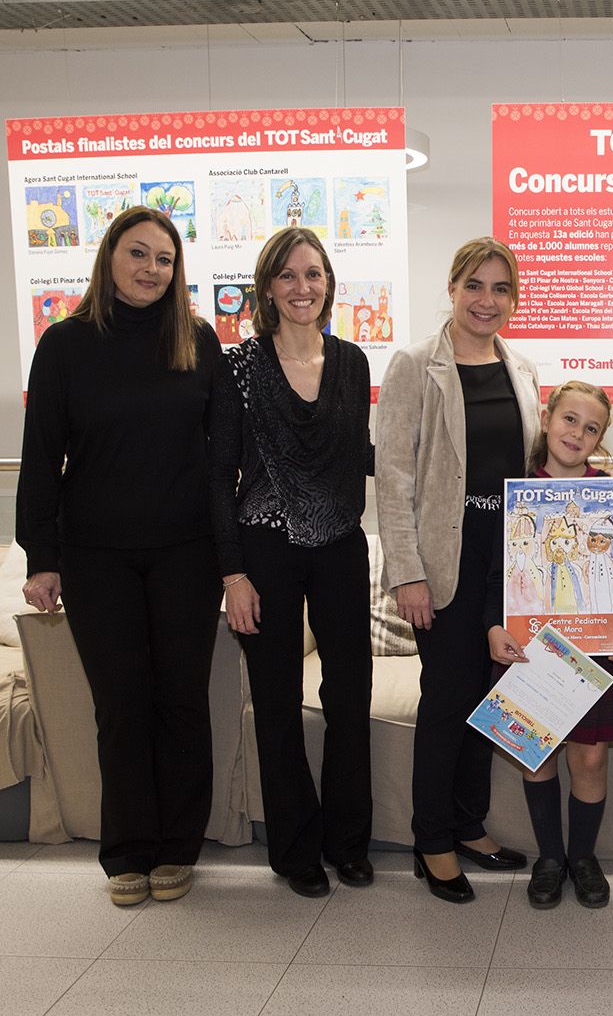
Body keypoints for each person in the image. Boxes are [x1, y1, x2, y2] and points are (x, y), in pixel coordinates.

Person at [16, 206, 224, 907]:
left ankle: (178, 847)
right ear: (109, 258)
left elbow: (223, 458)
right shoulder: (66, 345)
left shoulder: (195, 340)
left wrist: (232, 558)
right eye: (138, 254)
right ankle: (127, 851)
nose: (150, 270)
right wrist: (40, 556)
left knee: (181, 703)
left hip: (186, 556)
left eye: (164, 260)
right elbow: (41, 456)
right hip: (96, 557)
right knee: (121, 706)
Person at [211, 227, 375, 899]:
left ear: (328, 283)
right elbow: (218, 476)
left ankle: (348, 843)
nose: (302, 287)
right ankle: (295, 850)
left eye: (313, 274)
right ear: (267, 288)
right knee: (276, 705)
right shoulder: (238, 367)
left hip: (341, 547)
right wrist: (233, 574)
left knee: (349, 699)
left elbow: (357, 456)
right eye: (288, 275)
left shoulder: (354, 362)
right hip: (265, 554)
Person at [376, 236, 538, 903]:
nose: (486, 300)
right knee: (448, 700)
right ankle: (432, 840)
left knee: (486, 699)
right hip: (445, 559)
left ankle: (469, 823)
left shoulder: (521, 369)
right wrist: (406, 573)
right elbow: (393, 474)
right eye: (475, 285)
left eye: (501, 289)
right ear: (452, 288)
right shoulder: (415, 365)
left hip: (509, 562)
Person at [485, 381, 613, 910]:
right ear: (547, 418)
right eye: (569, 420)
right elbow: (494, 575)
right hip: (530, 650)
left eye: (591, 427)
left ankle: (583, 857)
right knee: (536, 756)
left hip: (597, 650)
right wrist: (493, 627)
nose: (577, 433)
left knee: (591, 758)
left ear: (600, 438)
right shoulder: (515, 495)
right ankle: (550, 858)